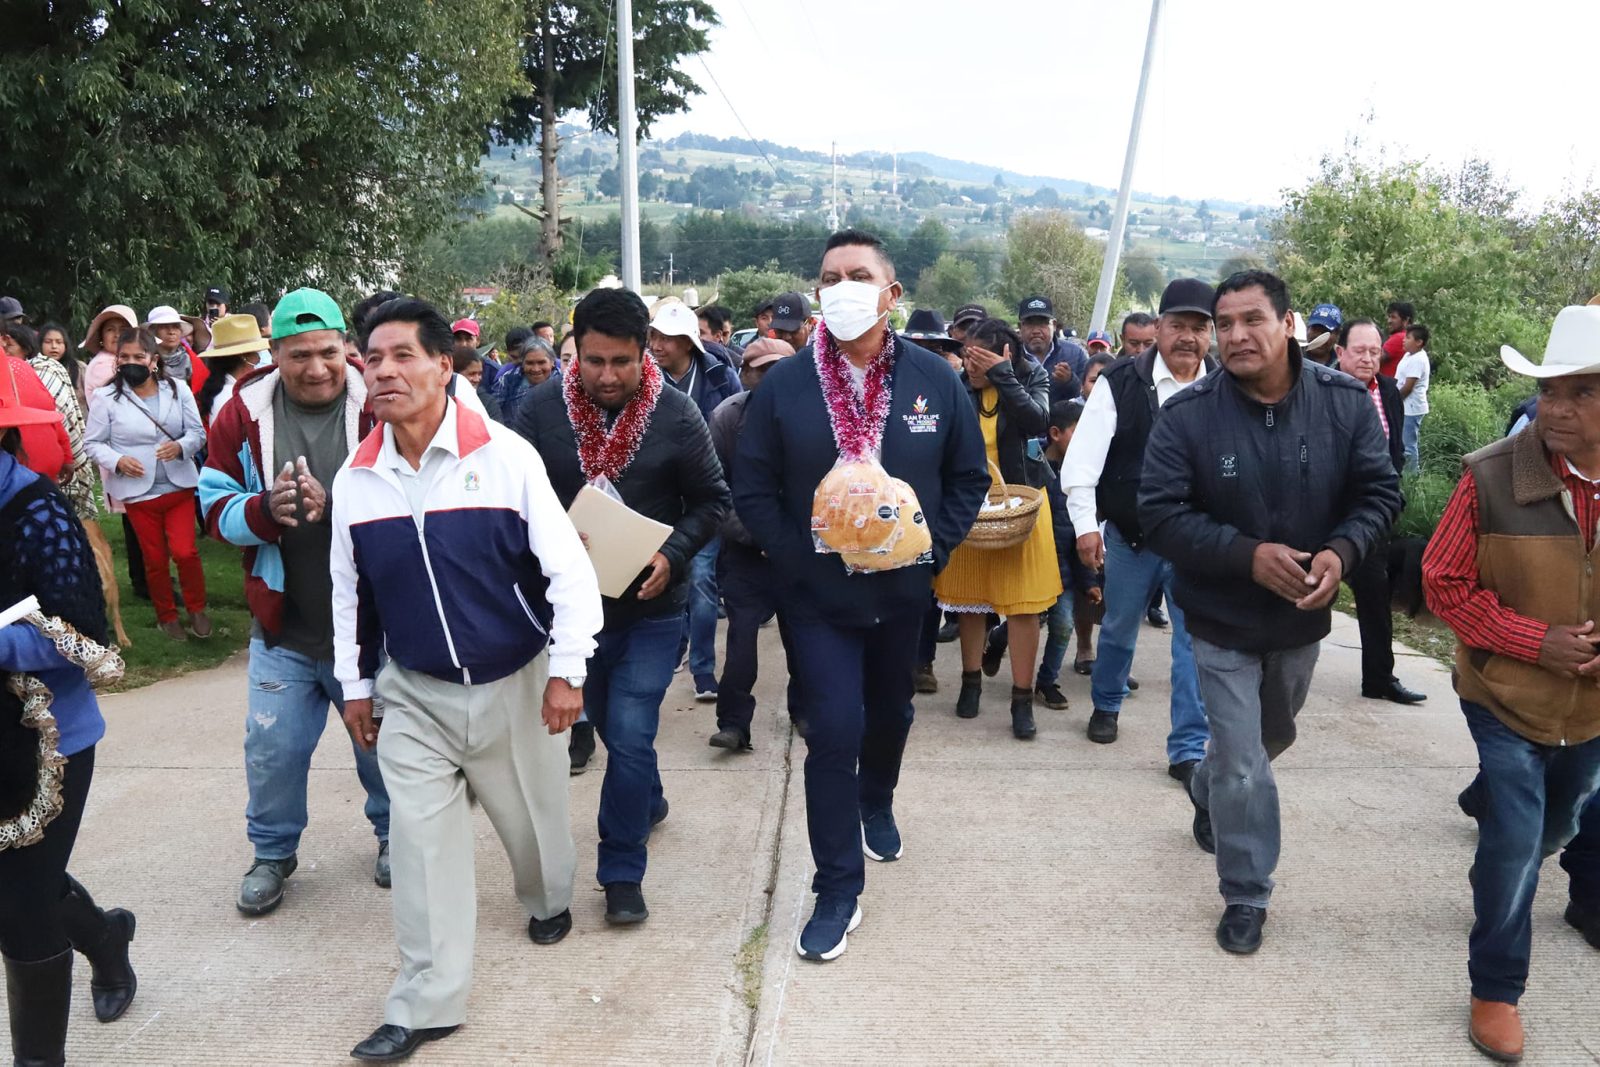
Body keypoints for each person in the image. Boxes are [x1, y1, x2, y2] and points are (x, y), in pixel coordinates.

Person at [330, 298, 602, 1063]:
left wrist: (566, 671)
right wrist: (355, 685)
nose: (383, 370)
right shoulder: (356, 479)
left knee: (537, 831)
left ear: (443, 365)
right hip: (414, 691)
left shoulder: (505, 456)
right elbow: (350, 595)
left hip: (517, 679)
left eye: (401, 356)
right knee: (419, 843)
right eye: (372, 358)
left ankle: (547, 899)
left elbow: (569, 573)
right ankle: (426, 1000)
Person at [735, 229, 987, 960]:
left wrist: (931, 545)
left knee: (892, 712)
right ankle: (836, 886)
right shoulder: (785, 386)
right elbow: (751, 487)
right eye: (829, 276)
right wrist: (795, 557)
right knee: (832, 729)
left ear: (891, 294)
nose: (841, 286)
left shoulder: (935, 382)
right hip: (816, 596)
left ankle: (876, 797)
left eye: (858, 274)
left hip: (905, 590)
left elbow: (968, 476)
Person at [1140, 270, 1402, 956]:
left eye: (1251, 319)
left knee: (1261, 744)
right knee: (1245, 763)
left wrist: (1342, 552)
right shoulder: (1188, 416)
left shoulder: (1345, 407)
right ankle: (1247, 891)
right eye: (1225, 324)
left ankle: (1206, 781)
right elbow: (1160, 514)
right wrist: (1246, 554)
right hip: (1220, 618)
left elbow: (1380, 493)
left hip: (1301, 621)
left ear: (1288, 325)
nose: (1234, 335)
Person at [515, 287, 729, 926]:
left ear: (648, 354)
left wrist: (673, 555)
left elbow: (713, 502)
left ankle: (622, 870)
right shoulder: (539, 410)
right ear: (573, 351)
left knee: (632, 734)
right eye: (594, 361)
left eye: (623, 363)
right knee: (611, 727)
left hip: (652, 611)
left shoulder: (679, 416)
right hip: (569, 616)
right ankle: (649, 799)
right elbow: (511, 502)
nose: (607, 376)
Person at [1420, 304, 1600, 1062]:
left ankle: (1504, 858)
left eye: (1579, 393)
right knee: (1521, 838)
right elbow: (1443, 582)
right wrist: (1538, 642)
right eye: (1548, 390)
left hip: (1590, 712)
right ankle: (1496, 987)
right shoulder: (1493, 474)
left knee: (1552, 828)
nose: (1554, 408)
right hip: (1503, 695)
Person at [197, 287, 394, 916]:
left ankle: (397, 836)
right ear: (274, 352)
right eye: (299, 354)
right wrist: (263, 512)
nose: (316, 368)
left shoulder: (382, 404)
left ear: (348, 348)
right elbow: (210, 503)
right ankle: (273, 854)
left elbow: (420, 498)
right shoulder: (240, 413)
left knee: (382, 743)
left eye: (328, 352)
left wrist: (338, 510)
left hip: (371, 624)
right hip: (283, 622)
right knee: (272, 749)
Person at [0, 396, 139, 1067]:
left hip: (46, 743)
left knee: (20, 901)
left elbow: (83, 637)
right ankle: (107, 939)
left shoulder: (37, 511)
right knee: (22, 880)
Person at [1060, 278, 1215, 776]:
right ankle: (1106, 704)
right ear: (1159, 327)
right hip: (1131, 538)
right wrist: (1086, 526)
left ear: (1210, 333)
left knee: (1193, 643)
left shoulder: (1224, 386)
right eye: (1178, 325)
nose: (1187, 337)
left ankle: (1189, 749)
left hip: (1197, 543)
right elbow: (1082, 463)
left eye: (1199, 327)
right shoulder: (1120, 381)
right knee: (1121, 629)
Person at [935, 317, 1059, 740]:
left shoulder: (1030, 375)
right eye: (966, 355)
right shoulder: (957, 385)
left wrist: (1002, 376)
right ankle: (971, 681)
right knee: (971, 602)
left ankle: (1021, 700)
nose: (968, 364)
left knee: (1024, 607)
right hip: (970, 507)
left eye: (978, 358)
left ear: (1004, 354)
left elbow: (1036, 421)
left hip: (1022, 507)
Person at [707, 339, 805, 750]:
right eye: (760, 370)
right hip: (746, 552)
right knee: (741, 640)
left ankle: (807, 710)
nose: (769, 379)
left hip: (799, 551)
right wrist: (759, 535)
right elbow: (715, 492)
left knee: (802, 639)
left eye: (779, 369)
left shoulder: (815, 416)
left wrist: (789, 538)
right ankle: (733, 722)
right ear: (744, 374)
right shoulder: (726, 419)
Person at [83, 328, 210, 641]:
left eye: (138, 357)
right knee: (153, 559)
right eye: (123, 357)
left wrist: (181, 446)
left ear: (153, 360)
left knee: (185, 552)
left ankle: (197, 609)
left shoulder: (178, 390)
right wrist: (117, 461)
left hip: (178, 485)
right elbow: (93, 444)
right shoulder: (105, 397)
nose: (130, 362)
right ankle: (166, 616)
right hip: (138, 491)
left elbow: (198, 433)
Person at [1331, 318, 1427, 705]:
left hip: (1369, 514)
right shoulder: (1321, 390)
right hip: (1321, 511)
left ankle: (1380, 678)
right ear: (1340, 353)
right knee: (1297, 592)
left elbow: (1395, 450)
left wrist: (1390, 499)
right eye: (1360, 351)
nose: (1369, 359)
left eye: (1375, 352)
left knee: (1375, 592)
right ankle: (1268, 668)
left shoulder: (1387, 390)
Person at [648, 300, 740, 702]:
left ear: (688, 343)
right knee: (661, 579)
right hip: (658, 499)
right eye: (653, 336)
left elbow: (739, 427)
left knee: (702, 580)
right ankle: (673, 649)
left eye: (666, 338)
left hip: (705, 498)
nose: (657, 345)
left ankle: (703, 669)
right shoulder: (644, 380)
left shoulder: (719, 379)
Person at [901, 309, 965, 691]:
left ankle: (923, 661)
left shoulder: (949, 387)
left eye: (935, 348)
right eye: (919, 345)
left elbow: (964, 463)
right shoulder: (888, 385)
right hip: (889, 509)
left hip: (933, 511)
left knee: (928, 596)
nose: (927, 353)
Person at [1033, 400, 1100, 708]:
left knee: (1062, 625)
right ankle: (998, 639)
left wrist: (1088, 579)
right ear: (1055, 433)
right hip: (1033, 566)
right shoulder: (1031, 469)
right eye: (1078, 432)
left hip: (1065, 574)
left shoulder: (1083, 479)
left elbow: (1082, 536)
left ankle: (1047, 681)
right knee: (1026, 619)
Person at [7, 324, 95, 520]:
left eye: (9, 344)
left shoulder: (26, 369)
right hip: (22, 470)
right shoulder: (17, 370)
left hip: (41, 469)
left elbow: (53, 415)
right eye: (48, 341)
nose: (4, 348)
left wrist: (68, 456)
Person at [195, 313, 271, 428]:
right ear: (244, 357)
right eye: (256, 353)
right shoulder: (229, 398)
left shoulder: (232, 390)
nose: (259, 358)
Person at [1017, 296, 1084, 406]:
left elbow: (1087, 396)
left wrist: (1070, 381)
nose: (1036, 331)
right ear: (1020, 327)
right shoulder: (1011, 355)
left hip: (1061, 422)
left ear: (1054, 325)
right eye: (1030, 324)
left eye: (1042, 323)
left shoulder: (1075, 354)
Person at [1397, 323, 1432, 471]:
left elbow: (1408, 387)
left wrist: (1394, 401)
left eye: (1408, 337)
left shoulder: (1418, 359)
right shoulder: (1409, 355)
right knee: (1403, 442)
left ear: (1419, 342)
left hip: (1411, 408)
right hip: (1405, 406)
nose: (1404, 340)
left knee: (1408, 445)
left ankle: (1412, 477)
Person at [451, 343, 504, 423]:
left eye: (479, 374)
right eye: (472, 374)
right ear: (455, 373)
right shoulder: (442, 401)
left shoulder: (488, 403)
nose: (477, 379)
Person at [37, 322, 81, 392]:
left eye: (59, 342)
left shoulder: (80, 368)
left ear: (66, 345)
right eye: (48, 342)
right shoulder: (34, 368)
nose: (54, 346)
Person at [1381, 299, 1414, 379]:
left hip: (1387, 387)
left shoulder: (1399, 337)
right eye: (1389, 317)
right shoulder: (1411, 339)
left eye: (1393, 317)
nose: (1389, 321)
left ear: (1406, 320)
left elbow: (1374, 359)